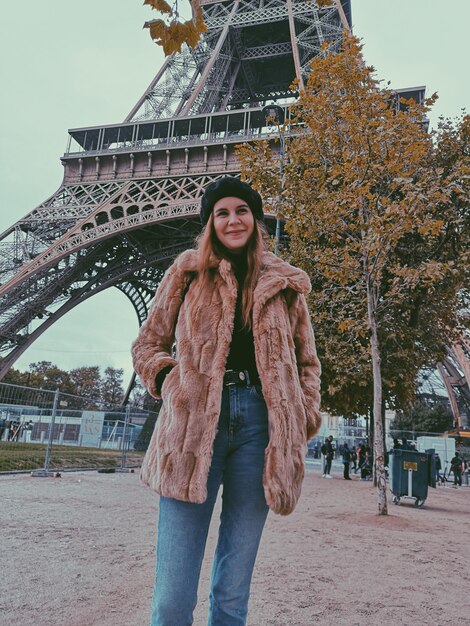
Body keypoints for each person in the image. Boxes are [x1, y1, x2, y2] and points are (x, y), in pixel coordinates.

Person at [132, 176, 322, 626]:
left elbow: (307, 362)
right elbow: (147, 344)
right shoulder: (187, 270)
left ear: (255, 220)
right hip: (193, 428)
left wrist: (304, 414)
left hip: (261, 427)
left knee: (233, 594)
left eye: (242, 211)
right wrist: (173, 380)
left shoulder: (284, 284)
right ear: (210, 222)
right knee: (173, 598)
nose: (233, 220)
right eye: (222, 212)